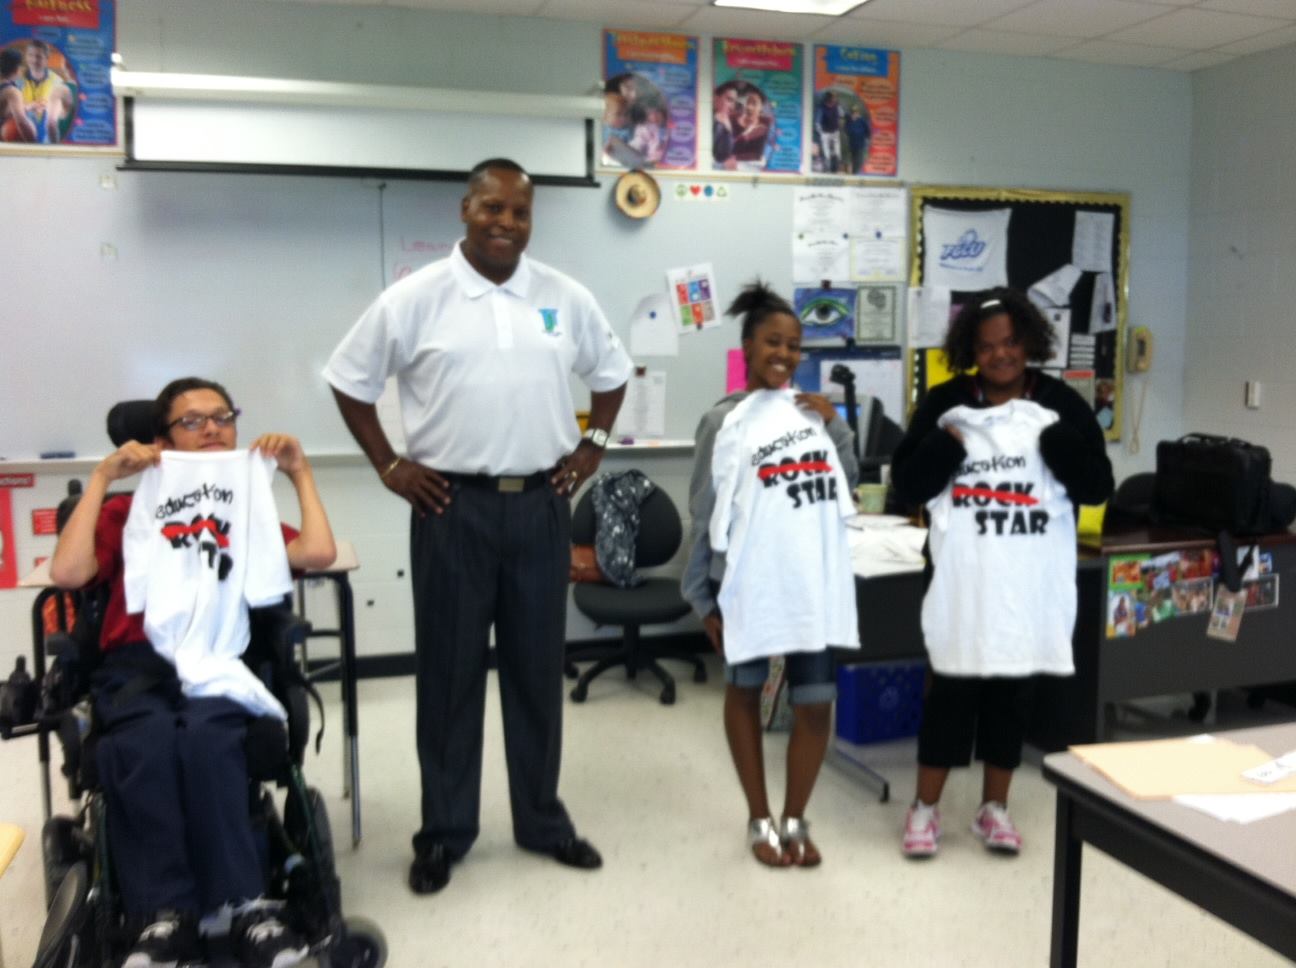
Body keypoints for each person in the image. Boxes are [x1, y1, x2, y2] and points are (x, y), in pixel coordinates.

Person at [324, 158, 632, 895]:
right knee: (450, 677)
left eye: (520, 212)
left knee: (536, 674)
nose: (506, 223)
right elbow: (348, 379)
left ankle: (542, 822)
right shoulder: (417, 298)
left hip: (539, 508)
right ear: (465, 210)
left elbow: (613, 372)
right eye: (492, 208)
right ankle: (444, 833)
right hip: (450, 509)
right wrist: (389, 466)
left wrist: (593, 448)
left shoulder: (564, 295)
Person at [48, 377, 336, 968]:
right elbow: (70, 573)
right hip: (137, 666)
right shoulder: (126, 509)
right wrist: (102, 479)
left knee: (209, 739)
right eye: (192, 420)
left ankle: (248, 908)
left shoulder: (244, 505)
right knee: (146, 742)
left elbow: (317, 554)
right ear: (160, 440)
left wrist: (299, 472)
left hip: (218, 659)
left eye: (222, 416)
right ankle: (163, 916)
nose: (211, 428)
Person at [891, 288, 1113, 859]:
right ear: (972, 351)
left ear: (1029, 343)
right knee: (951, 694)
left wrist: (1058, 446)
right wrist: (944, 449)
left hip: (1026, 584)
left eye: (1011, 343)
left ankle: (995, 808)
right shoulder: (947, 405)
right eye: (988, 347)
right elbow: (909, 485)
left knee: (1013, 694)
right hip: (961, 583)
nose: (1001, 356)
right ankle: (925, 809)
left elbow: (1096, 486)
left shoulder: (1060, 406)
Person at [682, 281, 859, 868]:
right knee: (745, 689)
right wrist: (702, 595)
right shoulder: (723, 420)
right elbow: (705, 510)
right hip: (748, 586)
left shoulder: (813, 416)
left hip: (810, 584)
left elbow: (847, 487)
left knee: (815, 702)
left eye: (794, 345)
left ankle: (796, 819)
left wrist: (837, 426)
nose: (784, 354)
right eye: (772, 343)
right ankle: (759, 819)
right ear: (748, 346)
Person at [19, 40, 72, 144]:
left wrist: (50, 109)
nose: (34, 60)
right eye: (30, 55)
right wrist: (28, 107)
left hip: (48, 140)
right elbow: (6, 112)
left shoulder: (58, 82)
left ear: (47, 59)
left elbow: (65, 114)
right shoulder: (17, 80)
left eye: (39, 56)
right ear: (26, 57)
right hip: (21, 138)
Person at [0, 48, 36, 142]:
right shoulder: (12, 92)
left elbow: (5, 110)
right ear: (18, 69)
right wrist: (34, 145)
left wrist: (29, 106)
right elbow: (22, 122)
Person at [732, 91, 770, 165]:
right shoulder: (733, 120)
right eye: (748, 102)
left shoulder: (763, 129)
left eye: (754, 103)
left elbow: (757, 156)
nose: (749, 107)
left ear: (761, 107)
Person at [712, 81, 740, 170]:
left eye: (734, 102)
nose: (732, 107)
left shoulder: (728, 124)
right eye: (729, 100)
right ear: (716, 98)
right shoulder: (714, 124)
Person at [815, 91, 843, 173]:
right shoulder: (822, 108)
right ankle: (828, 167)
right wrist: (821, 132)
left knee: (837, 151)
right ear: (828, 98)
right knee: (826, 151)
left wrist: (840, 125)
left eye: (835, 98)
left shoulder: (837, 106)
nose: (834, 99)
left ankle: (837, 167)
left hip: (835, 131)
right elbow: (817, 121)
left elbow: (842, 115)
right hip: (825, 132)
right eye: (833, 97)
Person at [845, 103, 872, 174]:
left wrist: (867, 138)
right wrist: (851, 122)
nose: (854, 114)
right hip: (852, 144)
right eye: (853, 112)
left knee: (859, 160)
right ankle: (854, 173)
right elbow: (847, 131)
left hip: (861, 144)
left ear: (858, 113)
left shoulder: (862, 121)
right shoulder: (849, 121)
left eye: (856, 112)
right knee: (853, 160)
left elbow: (868, 131)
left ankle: (857, 173)